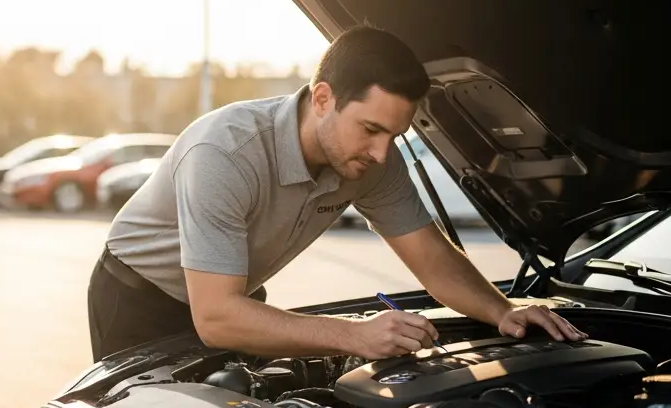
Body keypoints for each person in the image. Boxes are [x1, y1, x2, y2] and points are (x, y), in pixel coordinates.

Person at [88, 26, 585, 362]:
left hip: (235, 298)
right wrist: (354, 334)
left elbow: (432, 258)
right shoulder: (225, 150)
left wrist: (504, 311)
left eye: (395, 135)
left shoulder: (368, 158)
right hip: (139, 300)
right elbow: (216, 318)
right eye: (370, 128)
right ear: (323, 98)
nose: (382, 153)